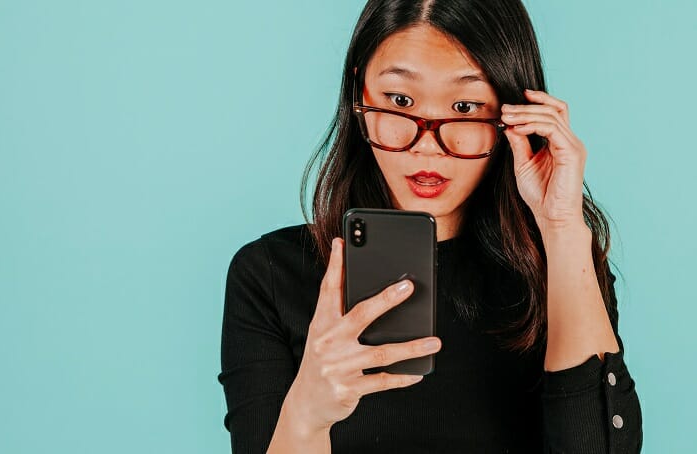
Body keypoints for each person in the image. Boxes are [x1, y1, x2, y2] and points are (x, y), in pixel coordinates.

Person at [217, 0, 643, 452]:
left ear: (510, 115)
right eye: (401, 101)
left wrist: (561, 226)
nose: (427, 144)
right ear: (360, 96)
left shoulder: (561, 266)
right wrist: (308, 410)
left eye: (465, 106)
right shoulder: (267, 274)